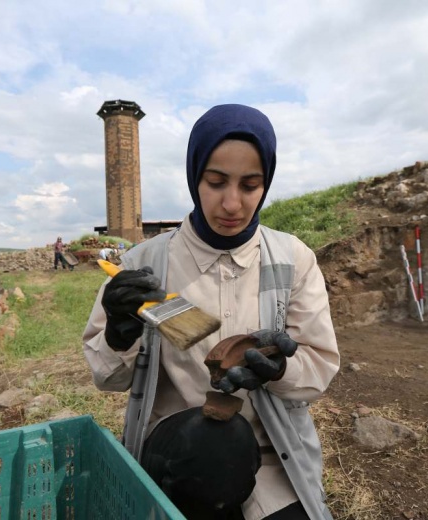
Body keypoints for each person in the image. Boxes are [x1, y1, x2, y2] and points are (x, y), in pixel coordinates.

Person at [83, 104, 340, 519]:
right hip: (177, 456)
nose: (232, 204)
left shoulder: (294, 259)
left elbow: (319, 366)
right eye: (216, 181)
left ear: (267, 183)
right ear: (193, 175)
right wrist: (118, 332)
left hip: (274, 460)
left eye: (251, 185)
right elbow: (107, 377)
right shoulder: (143, 263)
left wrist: (279, 370)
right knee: (211, 449)